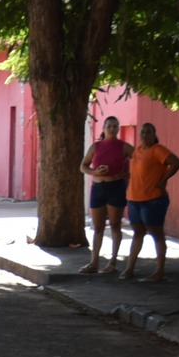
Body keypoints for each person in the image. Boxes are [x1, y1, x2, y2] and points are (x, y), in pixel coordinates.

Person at [123, 122, 179, 282]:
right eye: (143, 132)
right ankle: (129, 269)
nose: (145, 134)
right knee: (137, 233)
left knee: (156, 234)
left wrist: (163, 180)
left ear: (154, 134)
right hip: (134, 198)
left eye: (148, 132)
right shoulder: (137, 151)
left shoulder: (158, 150)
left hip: (153, 199)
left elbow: (176, 162)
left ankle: (159, 271)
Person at [76, 115, 129, 274]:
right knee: (98, 227)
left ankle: (112, 262)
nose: (112, 129)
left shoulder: (124, 146)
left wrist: (126, 174)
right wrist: (94, 171)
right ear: (104, 128)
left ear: (118, 128)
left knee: (115, 225)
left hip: (116, 187)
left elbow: (140, 160)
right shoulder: (96, 146)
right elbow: (83, 166)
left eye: (115, 126)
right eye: (109, 126)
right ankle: (94, 262)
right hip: (98, 188)